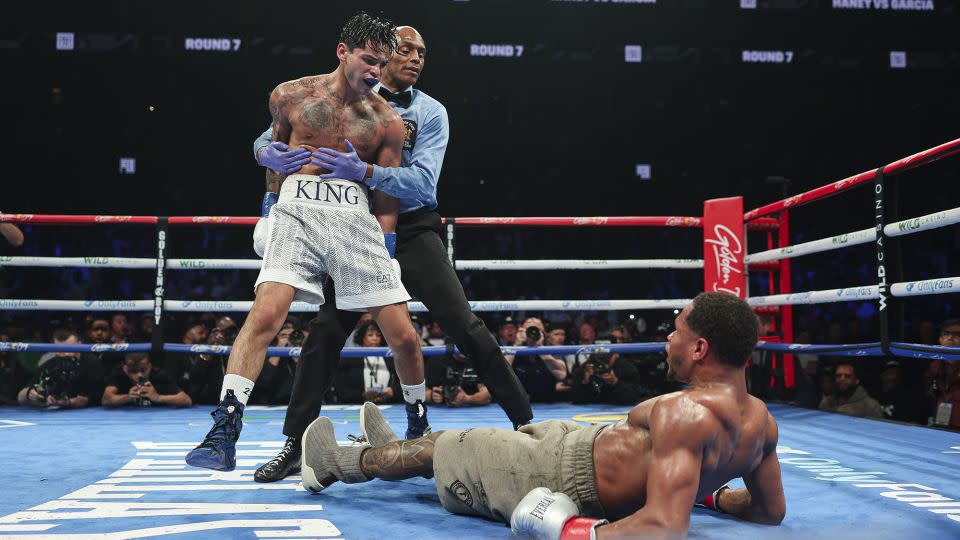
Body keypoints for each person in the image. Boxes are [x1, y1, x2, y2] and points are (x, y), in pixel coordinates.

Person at [251, 23, 532, 482]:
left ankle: (524, 421)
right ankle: (293, 445)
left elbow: (423, 183)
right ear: (378, 55)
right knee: (324, 333)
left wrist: (363, 170)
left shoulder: (431, 113)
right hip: (353, 226)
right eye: (405, 50)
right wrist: (266, 152)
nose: (416, 58)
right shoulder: (343, 95)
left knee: (464, 324)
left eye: (423, 52)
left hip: (414, 229)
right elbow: (270, 136)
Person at [300, 292, 785, 538]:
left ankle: (332, 465)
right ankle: (385, 451)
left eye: (677, 330)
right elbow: (769, 510)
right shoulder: (761, 421)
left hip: (563, 477)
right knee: (468, 441)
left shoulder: (687, 414)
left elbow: (663, 529)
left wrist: (572, 530)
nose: (667, 339)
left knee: (441, 448)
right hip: (575, 445)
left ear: (700, 348)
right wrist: (710, 493)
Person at [186, 12, 426, 472]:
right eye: (368, 60)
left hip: (354, 216)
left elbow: (387, 194)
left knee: (405, 337)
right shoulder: (289, 95)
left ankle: (418, 426)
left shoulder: (387, 122)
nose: (375, 72)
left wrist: (388, 244)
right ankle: (225, 429)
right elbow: (274, 156)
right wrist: (266, 204)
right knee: (266, 314)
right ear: (343, 52)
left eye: (381, 63)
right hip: (297, 207)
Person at [17, 328, 100, 409]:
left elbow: (86, 399)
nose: (66, 354)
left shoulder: (91, 364)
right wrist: (29, 394)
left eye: (70, 349)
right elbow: (20, 397)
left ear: (79, 344)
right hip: (54, 414)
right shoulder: (49, 365)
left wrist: (67, 402)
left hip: (89, 413)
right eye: (61, 350)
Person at [102, 353, 192, 408]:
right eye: (134, 371)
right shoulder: (119, 374)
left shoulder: (159, 375)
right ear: (125, 369)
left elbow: (186, 400)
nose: (139, 375)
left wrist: (158, 397)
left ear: (149, 367)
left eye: (143, 370)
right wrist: (128, 397)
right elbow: (106, 400)